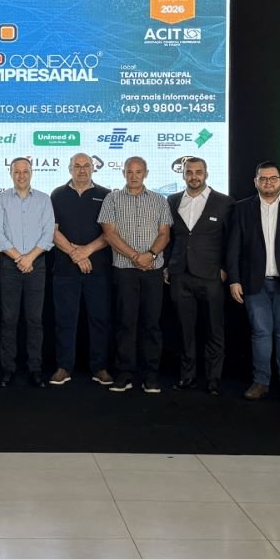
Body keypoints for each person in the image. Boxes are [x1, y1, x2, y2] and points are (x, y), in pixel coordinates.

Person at [225, 161, 280, 403]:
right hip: (254, 282)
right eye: (263, 178)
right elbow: (232, 247)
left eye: (273, 178)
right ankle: (260, 382)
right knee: (261, 332)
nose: (268, 182)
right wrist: (234, 280)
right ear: (256, 182)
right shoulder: (242, 208)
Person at [100, 156, 172, 393]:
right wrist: (135, 256)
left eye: (138, 171)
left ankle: (150, 376)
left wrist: (149, 255)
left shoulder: (160, 200)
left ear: (146, 173)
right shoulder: (112, 199)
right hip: (124, 270)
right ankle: (124, 374)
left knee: (151, 324)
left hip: (153, 270)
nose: (134, 176)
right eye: (129, 172)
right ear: (123, 173)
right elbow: (109, 234)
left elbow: (165, 234)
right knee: (125, 323)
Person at [165, 157, 232, 394]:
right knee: (185, 329)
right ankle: (187, 377)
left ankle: (213, 380)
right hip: (180, 274)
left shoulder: (224, 202)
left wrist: (225, 268)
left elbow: (232, 240)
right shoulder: (172, 200)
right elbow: (168, 237)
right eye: (189, 172)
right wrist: (167, 265)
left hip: (211, 275)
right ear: (183, 174)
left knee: (214, 329)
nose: (194, 176)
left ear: (206, 174)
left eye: (198, 172)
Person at [50, 152, 113, 386]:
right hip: (65, 269)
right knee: (65, 320)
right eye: (77, 166)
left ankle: (100, 368)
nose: (82, 170)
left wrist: (86, 250)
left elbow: (111, 233)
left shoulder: (106, 195)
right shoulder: (57, 194)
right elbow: (52, 230)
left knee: (99, 319)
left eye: (86, 166)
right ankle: (64, 367)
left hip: (98, 270)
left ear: (93, 168)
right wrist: (74, 254)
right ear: (70, 169)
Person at [0, 157, 55, 387]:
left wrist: (30, 258)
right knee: (8, 319)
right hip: (10, 265)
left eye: (25, 171)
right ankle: (7, 369)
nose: (21, 175)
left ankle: (35, 369)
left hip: (36, 264)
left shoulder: (44, 199)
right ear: (11, 173)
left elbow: (48, 234)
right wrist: (19, 258)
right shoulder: (1, 199)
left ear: (31, 173)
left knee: (34, 320)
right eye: (17, 171)